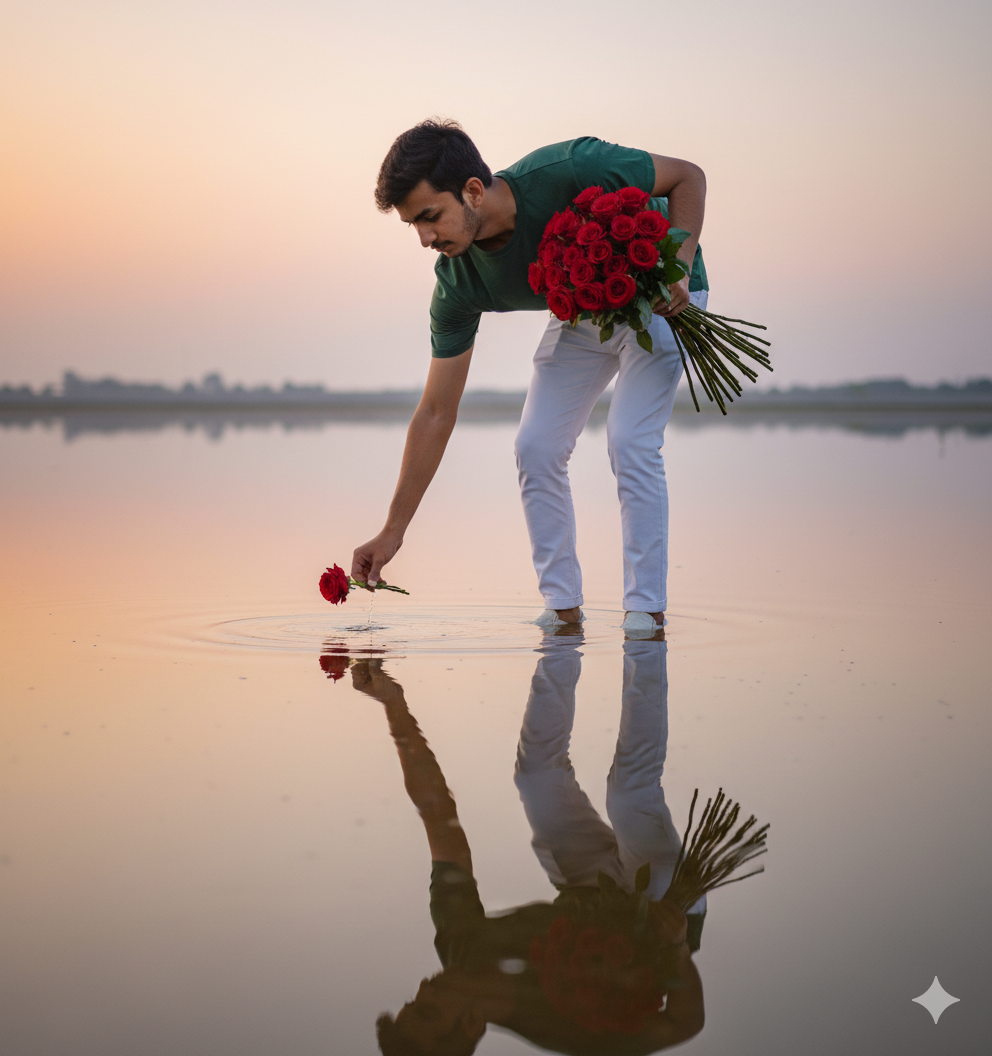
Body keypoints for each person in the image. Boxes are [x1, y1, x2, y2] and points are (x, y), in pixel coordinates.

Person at [351, 120, 709, 634]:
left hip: (665, 294)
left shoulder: (570, 168)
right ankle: (563, 610)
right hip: (587, 305)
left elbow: (688, 178)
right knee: (536, 445)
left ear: (473, 191)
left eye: (430, 216)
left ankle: (644, 615)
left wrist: (681, 257)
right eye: (414, 225)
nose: (425, 238)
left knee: (629, 439)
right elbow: (435, 411)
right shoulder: (457, 282)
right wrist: (392, 531)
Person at [350, 643, 705, 1056]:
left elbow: (436, 812)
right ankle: (647, 643)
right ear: (469, 1022)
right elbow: (683, 1024)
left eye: (412, 1003)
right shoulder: (558, 1030)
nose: (423, 988)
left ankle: (563, 641)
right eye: (429, 1010)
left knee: (535, 774)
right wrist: (678, 950)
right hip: (660, 907)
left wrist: (393, 705)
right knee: (630, 793)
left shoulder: (460, 946)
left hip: (586, 885)